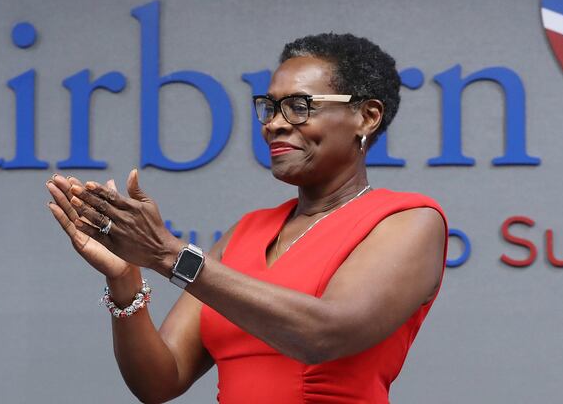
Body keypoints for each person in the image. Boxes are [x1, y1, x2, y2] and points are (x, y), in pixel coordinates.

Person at [45, 33, 448, 403]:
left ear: (367, 116)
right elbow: (160, 380)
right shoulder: (247, 231)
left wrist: (169, 255)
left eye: (298, 106)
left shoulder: (407, 221)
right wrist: (125, 279)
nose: (274, 123)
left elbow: (324, 333)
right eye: (270, 107)